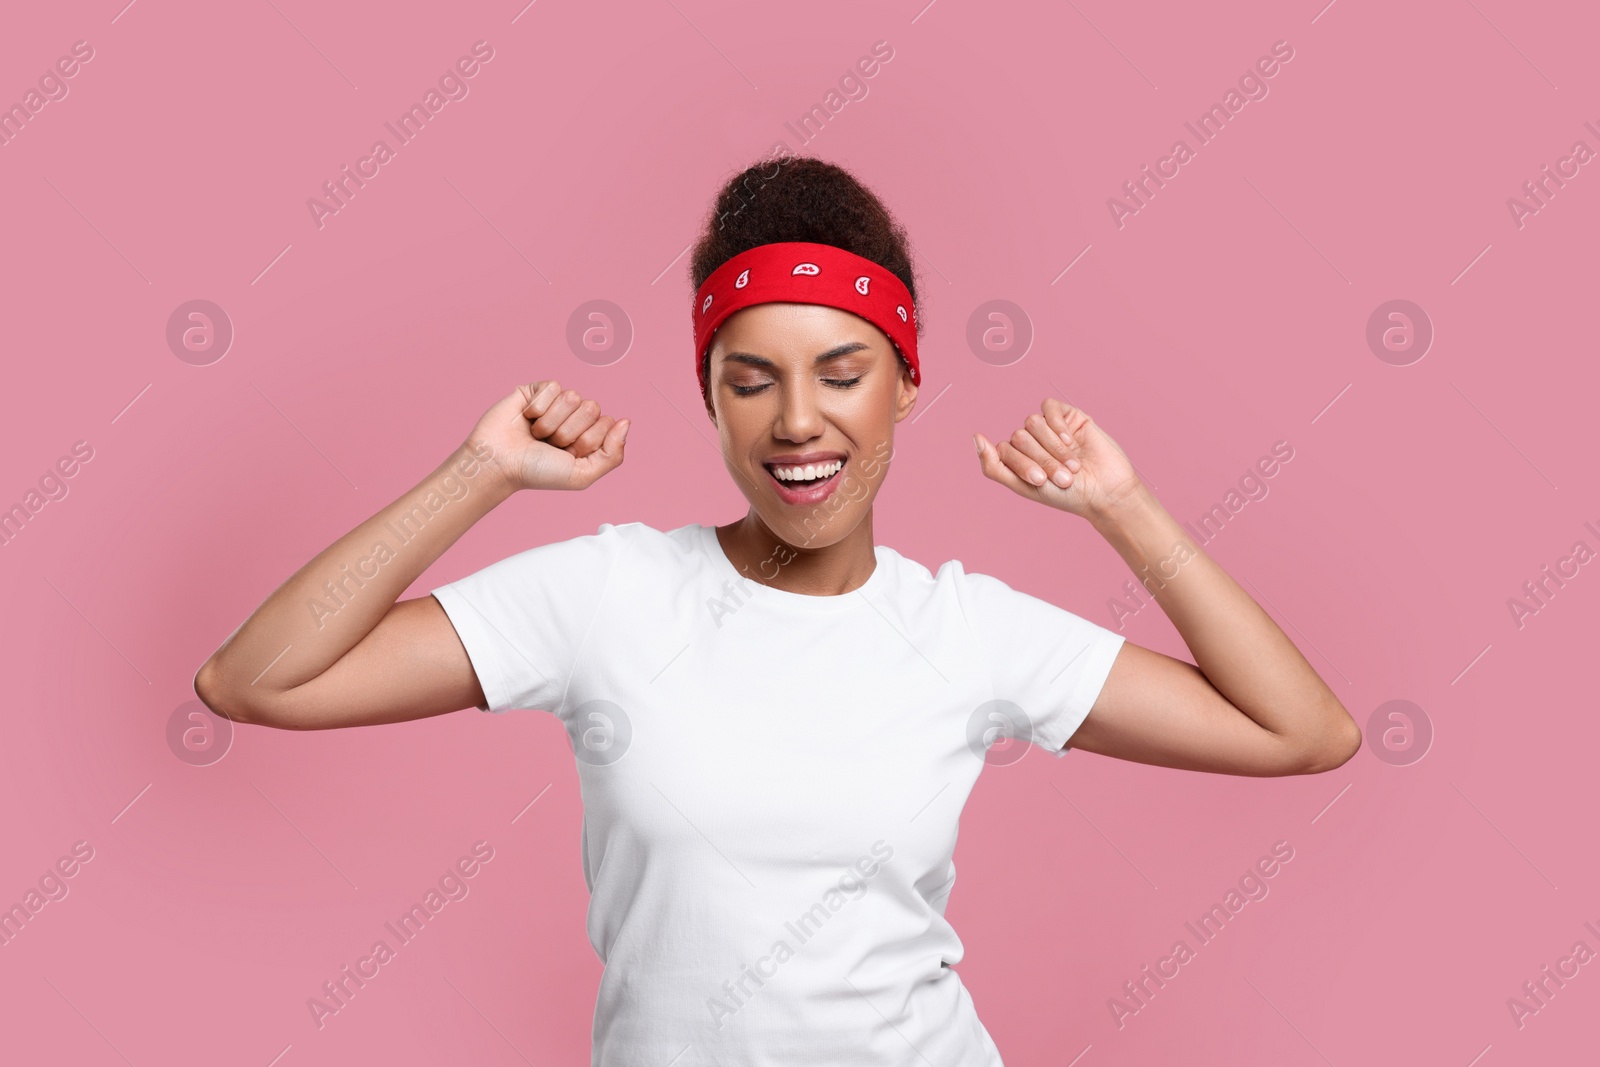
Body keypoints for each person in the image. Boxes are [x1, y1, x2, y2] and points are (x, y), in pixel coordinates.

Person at [194, 156, 1360, 1066]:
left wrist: (1124, 508)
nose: (796, 420)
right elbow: (257, 679)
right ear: (707, 395)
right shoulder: (608, 591)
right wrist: (477, 472)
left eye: (842, 371)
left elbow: (1300, 730)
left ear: (907, 382)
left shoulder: (967, 630)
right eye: (749, 380)